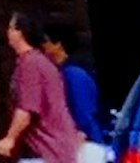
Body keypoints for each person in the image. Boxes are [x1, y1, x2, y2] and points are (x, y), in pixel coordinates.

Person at [0, 11, 81, 163]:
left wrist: (10, 138)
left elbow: (27, 109)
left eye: (11, 28)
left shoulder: (31, 64)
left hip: (47, 151)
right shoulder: (37, 62)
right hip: (54, 150)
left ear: (20, 32)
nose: (7, 33)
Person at [40, 18, 104, 154]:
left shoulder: (73, 74)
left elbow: (83, 113)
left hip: (85, 147)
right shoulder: (63, 73)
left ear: (58, 44)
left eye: (45, 41)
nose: (42, 46)